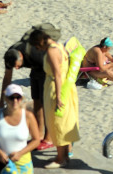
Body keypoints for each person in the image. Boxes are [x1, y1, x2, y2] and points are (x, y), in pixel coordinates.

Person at [2, 24, 60, 149]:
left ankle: (48, 139)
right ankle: (38, 136)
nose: (16, 68)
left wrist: (57, 94)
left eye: (18, 65)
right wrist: (1, 102)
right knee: (37, 102)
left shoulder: (36, 52)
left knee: (47, 105)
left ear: (21, 56)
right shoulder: (10, 55)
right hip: (35, 69)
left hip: (46, 70)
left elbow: (55, 71)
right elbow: (7, 79)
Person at [29, 29, 79, 169]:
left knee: (56, 123)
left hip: (55, 87)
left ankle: (60, 158)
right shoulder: (60, 46)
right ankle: (66, 154)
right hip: (66, 86)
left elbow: (57, 75)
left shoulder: (51, 51)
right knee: (64, 121)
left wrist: (57, 97)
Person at [0, 84, 41, 174]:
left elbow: (36, 140)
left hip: (22, 163)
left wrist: (20, 153)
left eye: (18, 97)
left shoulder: (28, 116)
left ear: (22, 98)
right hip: (0, 161)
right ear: (6, 99)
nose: (15, 100)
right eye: (11, 98)